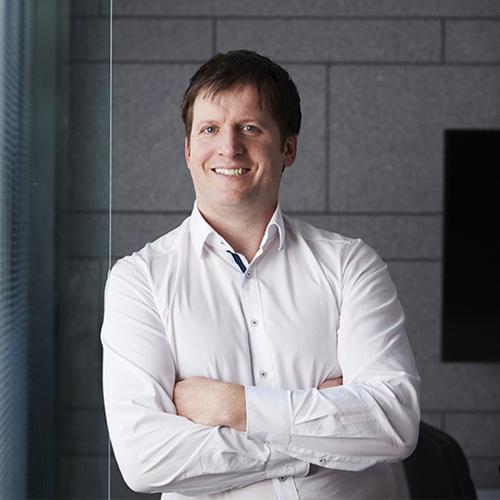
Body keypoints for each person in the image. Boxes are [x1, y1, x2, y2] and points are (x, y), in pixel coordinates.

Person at [101, 50, 421, 500]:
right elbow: (145, 461)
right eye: (210, 129)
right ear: (188, 150)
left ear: (288, 147)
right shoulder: (140, 281)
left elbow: (394, 422)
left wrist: (232, 406)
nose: (229, 147)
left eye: (250, 128)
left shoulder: (350, 264)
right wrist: (322, 440)